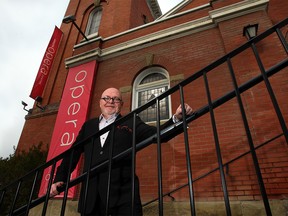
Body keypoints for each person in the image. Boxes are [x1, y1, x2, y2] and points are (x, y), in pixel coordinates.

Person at [50, 87, 193, 215]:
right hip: (91, 196)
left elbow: (157, 135)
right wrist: (59, 178)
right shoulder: (89, 126)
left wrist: (177, 119)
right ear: (100, 102)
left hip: (122, 196)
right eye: (106, 98)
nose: (110, 101)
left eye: (116, 99)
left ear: (121, 104)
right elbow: (73, 153)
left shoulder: (131, 122)